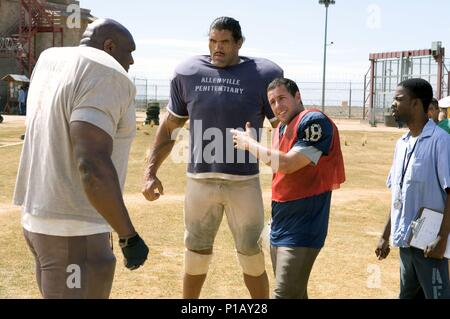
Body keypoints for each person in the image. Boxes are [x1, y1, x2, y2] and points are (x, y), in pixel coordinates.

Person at [142, 16, 283, 299]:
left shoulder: (263, 73)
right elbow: (170, 126)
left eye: (224, 43)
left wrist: (285, 166)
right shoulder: (189, 72)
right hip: (200, 180)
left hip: (243, 181)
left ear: (239, 43)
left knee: (251, 255)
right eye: (212, 41)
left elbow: (283, 126)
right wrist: (150, 171)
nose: (217, 48)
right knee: (195, 252)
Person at [13, 18, 149, 299]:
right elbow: (91, 162)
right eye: (129, 51)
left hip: (39, 218)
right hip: (73, 227)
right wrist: (128, 235)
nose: (132, 61)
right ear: (109, 46)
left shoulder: (51, 60)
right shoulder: (104, 70)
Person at [231, 78, 345, 298]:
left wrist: (251, 145)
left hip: (304, 223)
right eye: (272, 102)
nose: (277, 106)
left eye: (282, 98)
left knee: (284, 294)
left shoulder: (314, 121)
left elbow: (288, 164)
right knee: (296, 294)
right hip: (281, 220)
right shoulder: (282, 127)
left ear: (298, 96)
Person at [375, 78, 450, 299]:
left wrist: (441, 238)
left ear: (416, 104)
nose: (393, 104)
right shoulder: (402, 144)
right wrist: (385, 234)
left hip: (429, 246)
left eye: (399, 99)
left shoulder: (441, 142)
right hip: (405, 242)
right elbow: (398, 195)